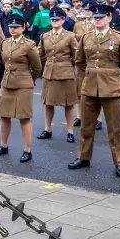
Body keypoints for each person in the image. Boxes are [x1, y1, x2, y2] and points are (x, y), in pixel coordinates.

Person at [69, 4, 120, 178]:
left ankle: (119, 162)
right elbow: (79, 61)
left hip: (112, 88)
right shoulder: (86, 37)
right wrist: (92, 72)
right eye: (95, 17)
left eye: (100, 17)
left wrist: (115, 74)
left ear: (109, 18)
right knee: (86, 126)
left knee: (115, 128)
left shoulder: (119, 38)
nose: (97, 20)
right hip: (90, 86)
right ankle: (83, 157)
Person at [0, 16, 41, 162]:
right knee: (4, 116)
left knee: (24, 118)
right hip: (7, 83)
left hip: (23, 85)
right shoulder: (5, 43)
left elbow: (37, 67)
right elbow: (4, 62)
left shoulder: (29, 45)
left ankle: (27, 149)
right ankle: (3, 145)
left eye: (16, 27)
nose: (13, 29)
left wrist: (28, 79)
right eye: (11, 27)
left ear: (23, 28)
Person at [37, 7, 79, 143]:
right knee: (48, 103)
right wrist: (45, 64)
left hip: (66, 73)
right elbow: (40, 54)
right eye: (52, 19)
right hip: (49, 73)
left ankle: (70, 131)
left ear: (63, 19)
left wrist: (67, 63)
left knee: (69, 104)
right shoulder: (45, 36)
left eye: (57, 19)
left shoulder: (70, 36)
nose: (54, 21)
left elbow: (77, 55)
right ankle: (47, 129)